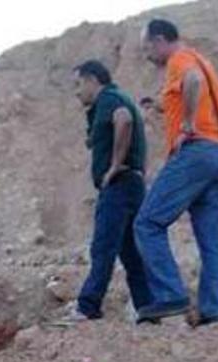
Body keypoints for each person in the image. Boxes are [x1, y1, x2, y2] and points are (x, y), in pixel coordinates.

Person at [135, 19, 218, 325]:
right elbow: (193, 91)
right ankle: (215, 310)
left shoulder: (181, 60)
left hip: (196, 152)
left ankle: (170, 295)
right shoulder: (201, 60)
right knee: (210, 242)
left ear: (161, 39)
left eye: (148, 47)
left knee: (147, 223)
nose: (148, 54)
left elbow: (192, 82)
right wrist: (162, 106)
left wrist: (188, 124)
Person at [59, 61, 152, 323]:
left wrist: (113, 166)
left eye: (78, 84)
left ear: (92, 80)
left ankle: (88, 306)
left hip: (119, 185)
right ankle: (147, 309)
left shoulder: (109, 99)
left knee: (103, 247)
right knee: (131, 253)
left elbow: (124, 119)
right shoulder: (115, 99)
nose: (76, 92)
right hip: (132, 184)